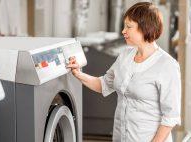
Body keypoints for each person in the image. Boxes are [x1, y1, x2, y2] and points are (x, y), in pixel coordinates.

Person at [67, 2, 181, 142]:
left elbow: (170, 117)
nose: (123, 31)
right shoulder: (125, 56)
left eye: (129, 26)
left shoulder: (167, 65)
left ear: (145, 28)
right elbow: (104, 84)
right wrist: (78, 73)